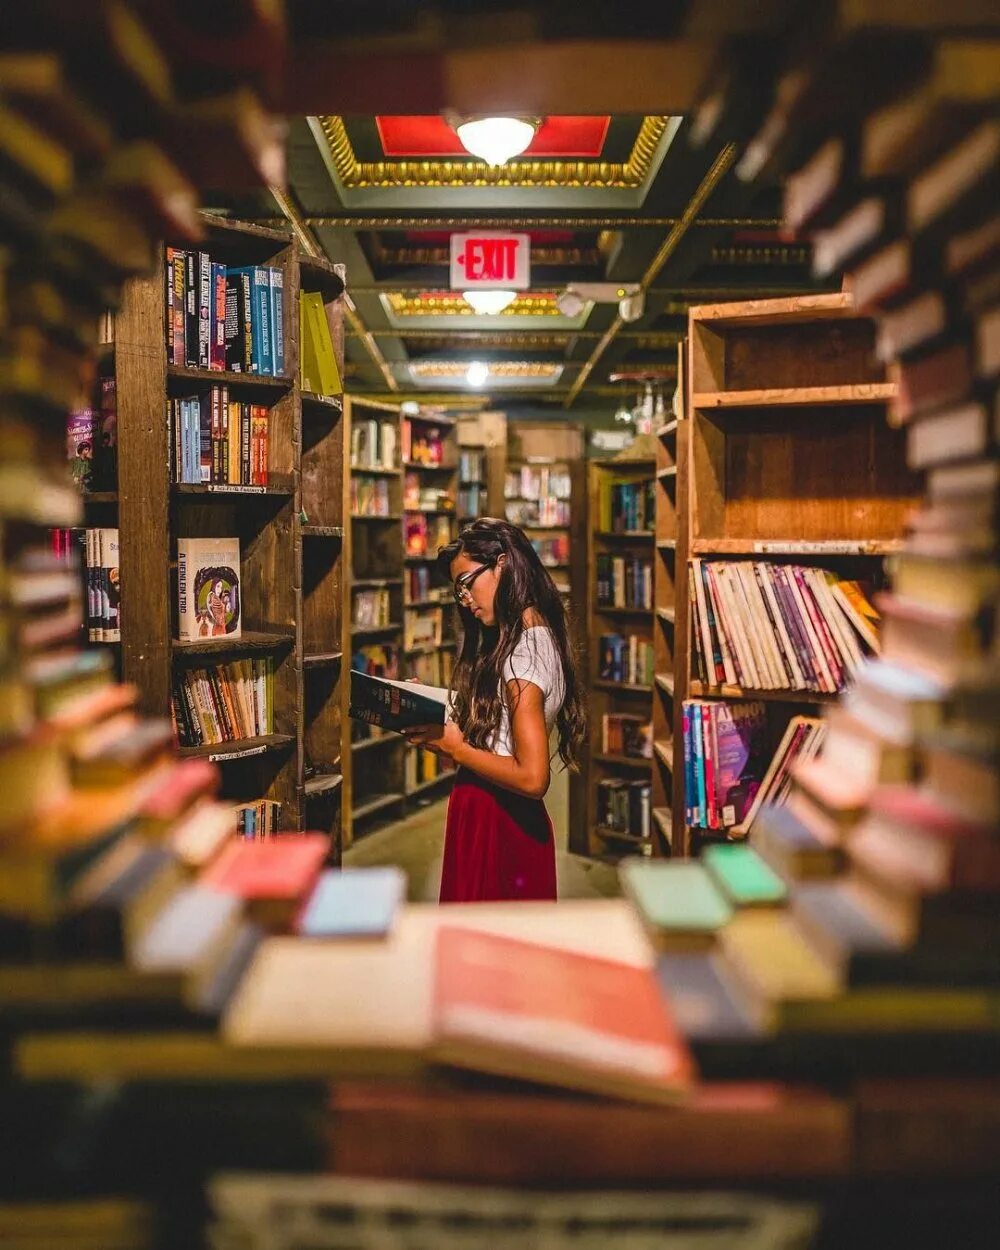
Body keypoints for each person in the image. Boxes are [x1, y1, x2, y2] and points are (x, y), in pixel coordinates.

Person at [404, 517, 585, 903]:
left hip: (498, 820)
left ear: (502, 563)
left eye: (467, 582)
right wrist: (438, 706)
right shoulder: (530, 636)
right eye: (458, 592)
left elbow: (533, 777)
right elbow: (502, 723)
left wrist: (455, 749)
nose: (465, 599)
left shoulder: (523, 657)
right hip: (491, 814)